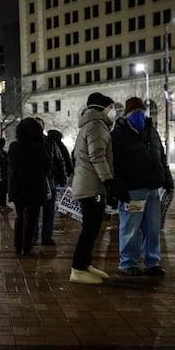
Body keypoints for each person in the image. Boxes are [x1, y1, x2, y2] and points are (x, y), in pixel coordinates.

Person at [69, 92, 128, 284]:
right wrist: (109, 181)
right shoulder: (96, 125)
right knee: (90, 229)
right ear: (102, 108)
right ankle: (78, 269)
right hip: (92, 186)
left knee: (92, 229)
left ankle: (84, 265)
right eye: (109, 108)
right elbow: (97, 156)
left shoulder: (90, 124)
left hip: (89, 184)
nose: (111, 111)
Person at [110, 97, 173, 277]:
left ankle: (152, 262)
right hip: (132, 190)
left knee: (152, 228)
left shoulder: (151, 131)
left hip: (152, 188)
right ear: (127, 113)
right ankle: (128, 263)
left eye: (141, 110)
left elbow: (160, 155)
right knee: (130, 228)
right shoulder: (118, 134)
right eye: (134, 111)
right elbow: (113, 163)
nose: (139, 114)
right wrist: (118, 186)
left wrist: (166, 177)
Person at [8, 118, 50, 256]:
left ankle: (17, 245)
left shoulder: (14, 146)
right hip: (34, 187)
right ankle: (27, 247)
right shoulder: (38, 147)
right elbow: (47, 166)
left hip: (18, 186)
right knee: (31, 218)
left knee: (19, 216)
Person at [0, 137, 10, 211]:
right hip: (2, 174)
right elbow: (6, 160)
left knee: (1, 189)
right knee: (2, 190)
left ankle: (1, 205)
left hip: (0, 174)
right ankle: (2, 205)